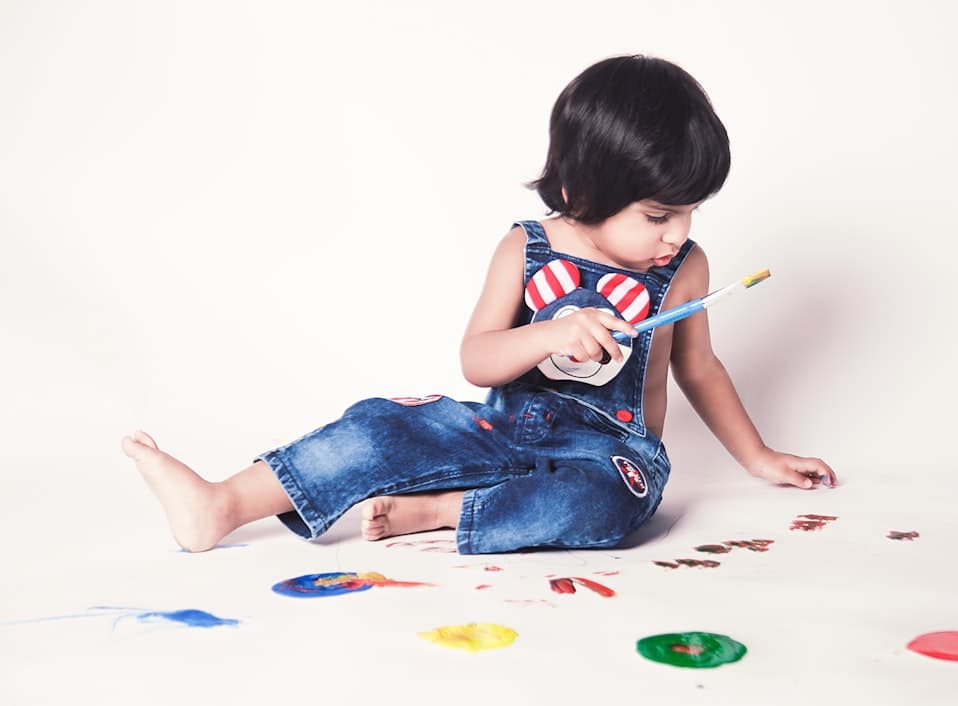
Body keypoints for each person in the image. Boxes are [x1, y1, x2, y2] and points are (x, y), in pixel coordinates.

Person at [122, 54, 836, 555]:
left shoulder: (684, 267)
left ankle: (441, 513)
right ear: (586, 190)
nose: (677, 233)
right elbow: (478, 360)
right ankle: (222, 504)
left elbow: (700, 369)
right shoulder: (525, 249)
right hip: (499, 431)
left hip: (610, 455)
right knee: (379, 427)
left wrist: (759, 457)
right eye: (658, 215)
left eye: (689, 212)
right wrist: (549, 335)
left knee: (606, 506)